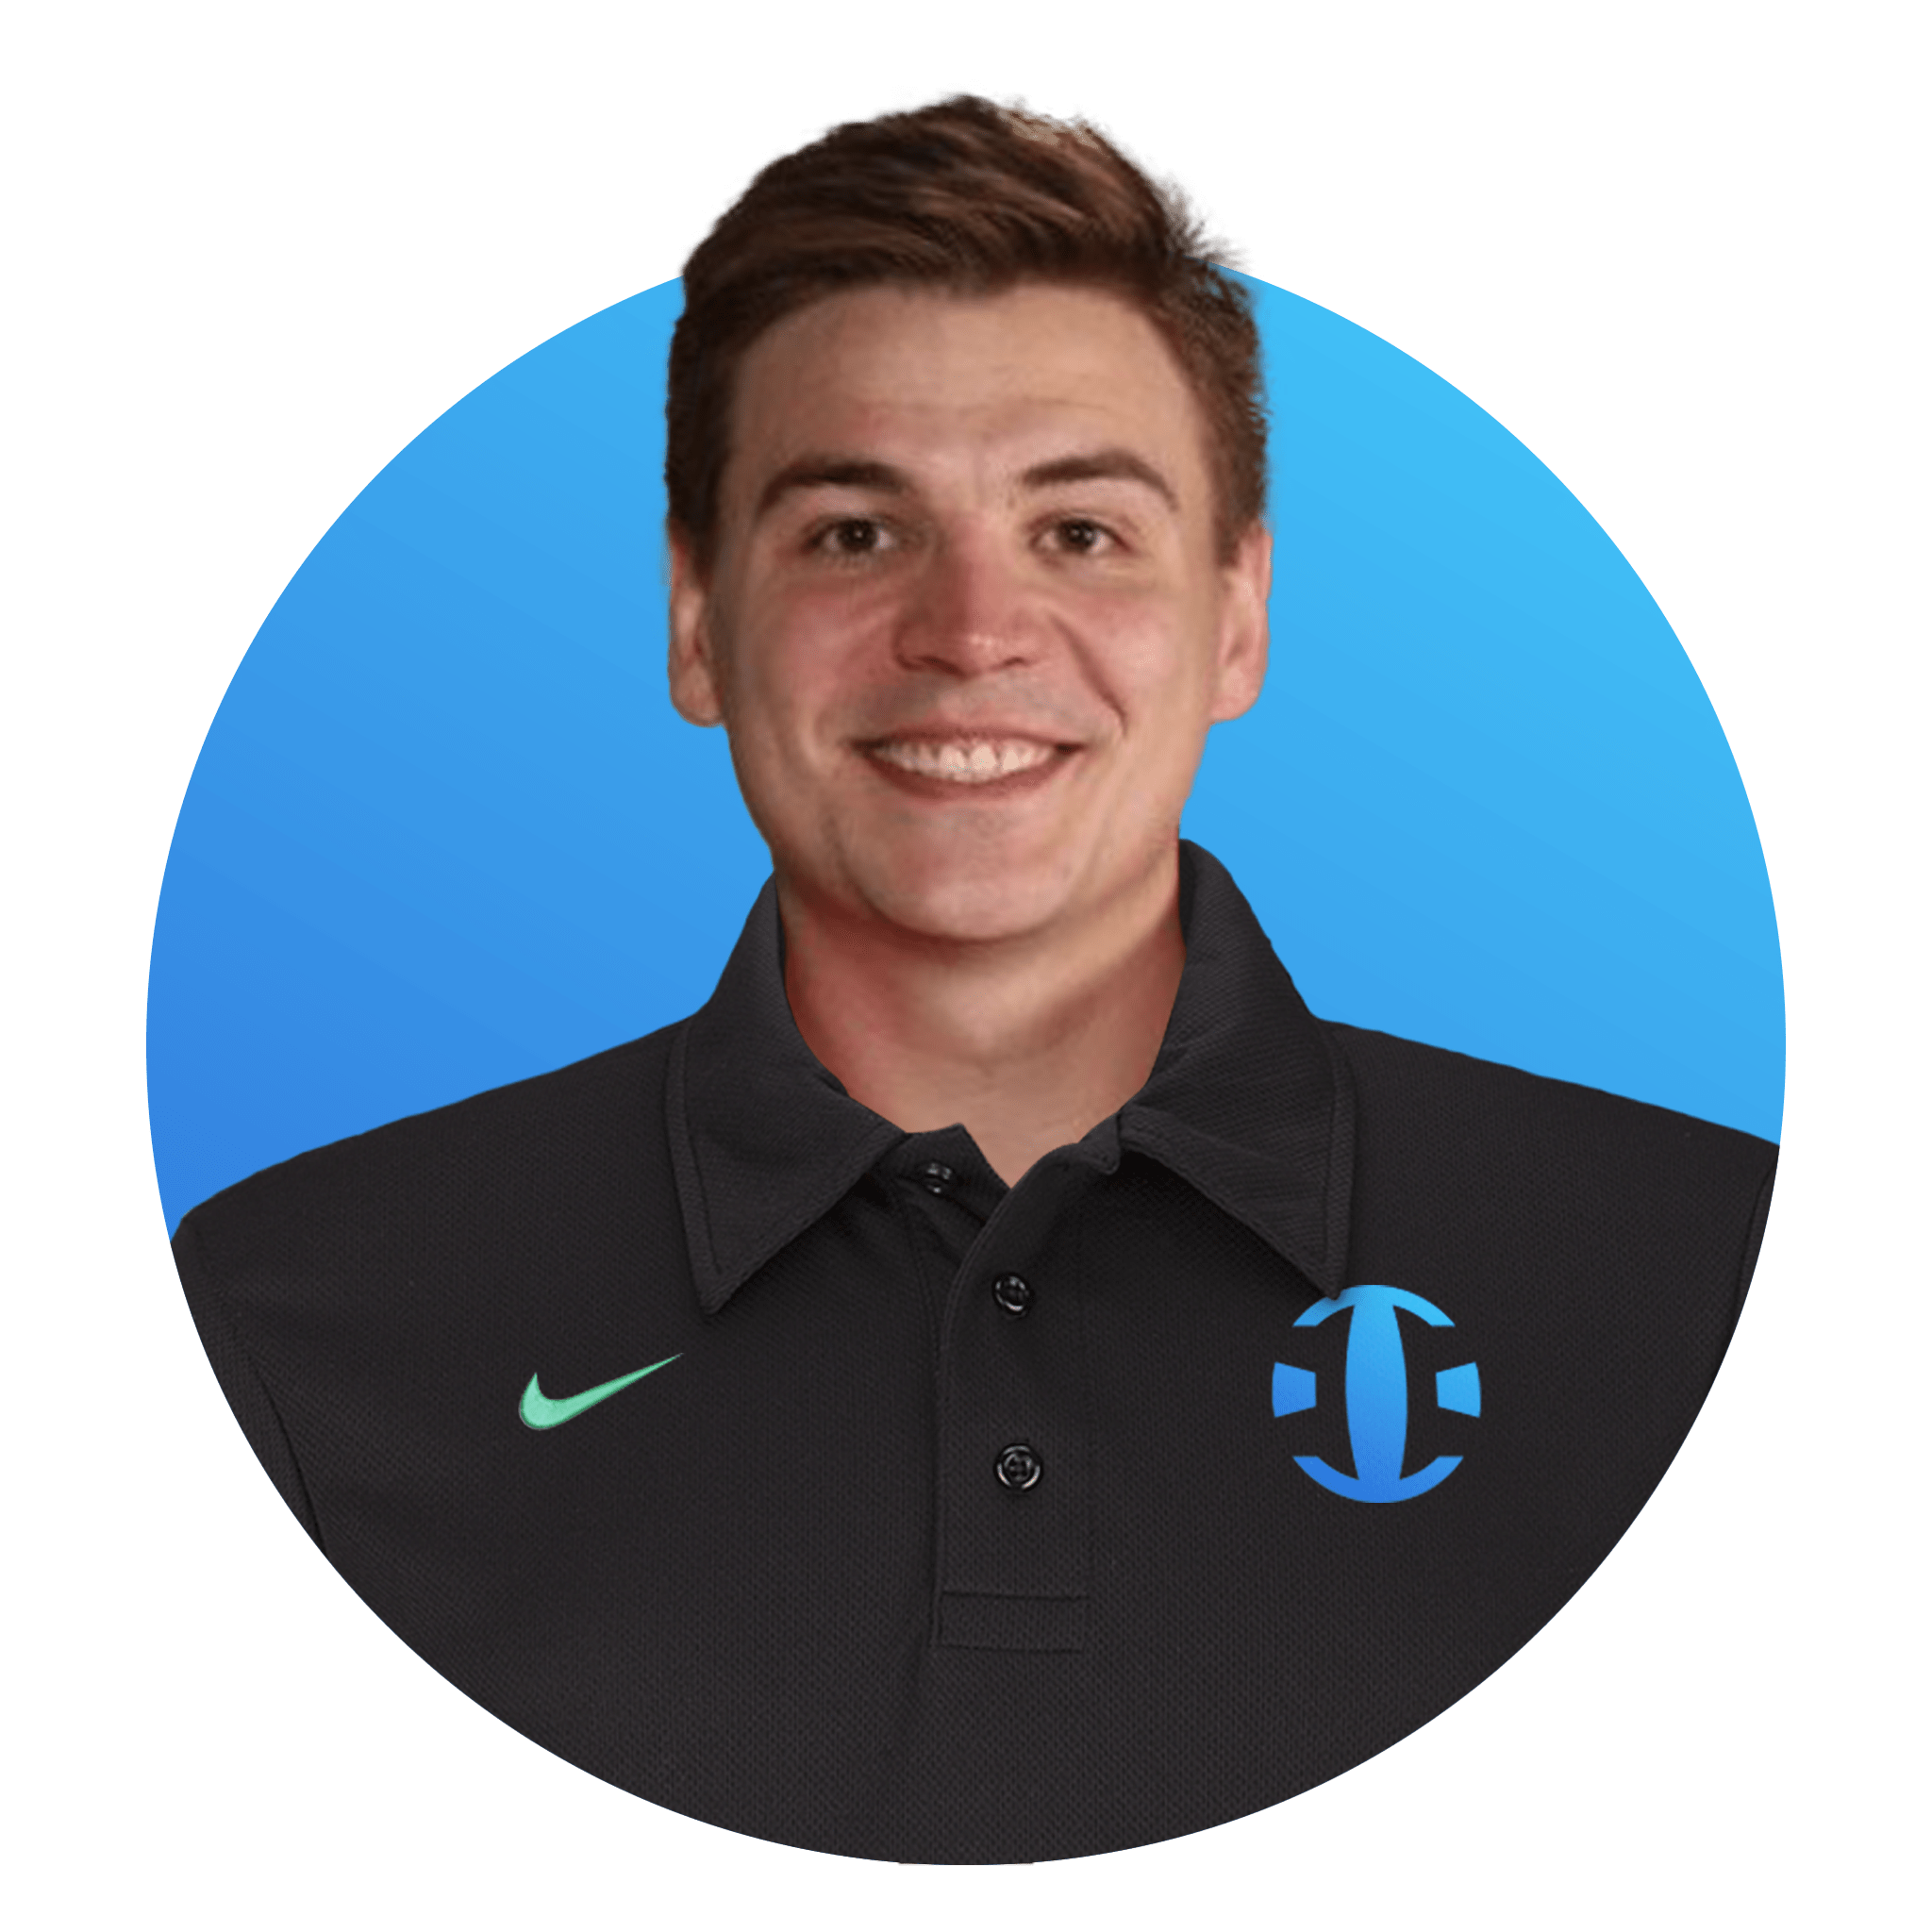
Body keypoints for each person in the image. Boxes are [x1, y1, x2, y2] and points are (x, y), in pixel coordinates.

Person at [170, 89, 1778, 1865]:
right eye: (856, 532)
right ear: (698, 620)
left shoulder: (1693, 1275)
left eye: (1079, 531)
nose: (970, 633)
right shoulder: (292, 1328)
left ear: (1237, 619)